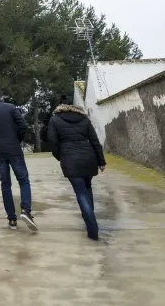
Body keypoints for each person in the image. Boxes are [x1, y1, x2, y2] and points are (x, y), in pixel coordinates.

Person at [0, 90, 37, 231]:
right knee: (23, 180)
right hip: (14, 149)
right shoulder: (11, 108)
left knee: (5, 185)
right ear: (2, 97)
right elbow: (23, 126)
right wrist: (16, 140)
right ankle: (25, 210)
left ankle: (12, 220)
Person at [46, 101, 106, 241]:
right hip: (88, 157)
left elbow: (53, 141)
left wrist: (60, 156)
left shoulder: (54, 119)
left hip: (70, 158)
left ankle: (92, 229)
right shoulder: (84, 119)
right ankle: (89, 220)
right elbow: (95, 141)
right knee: (87, 188)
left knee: (80, 193)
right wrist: (101, 161)